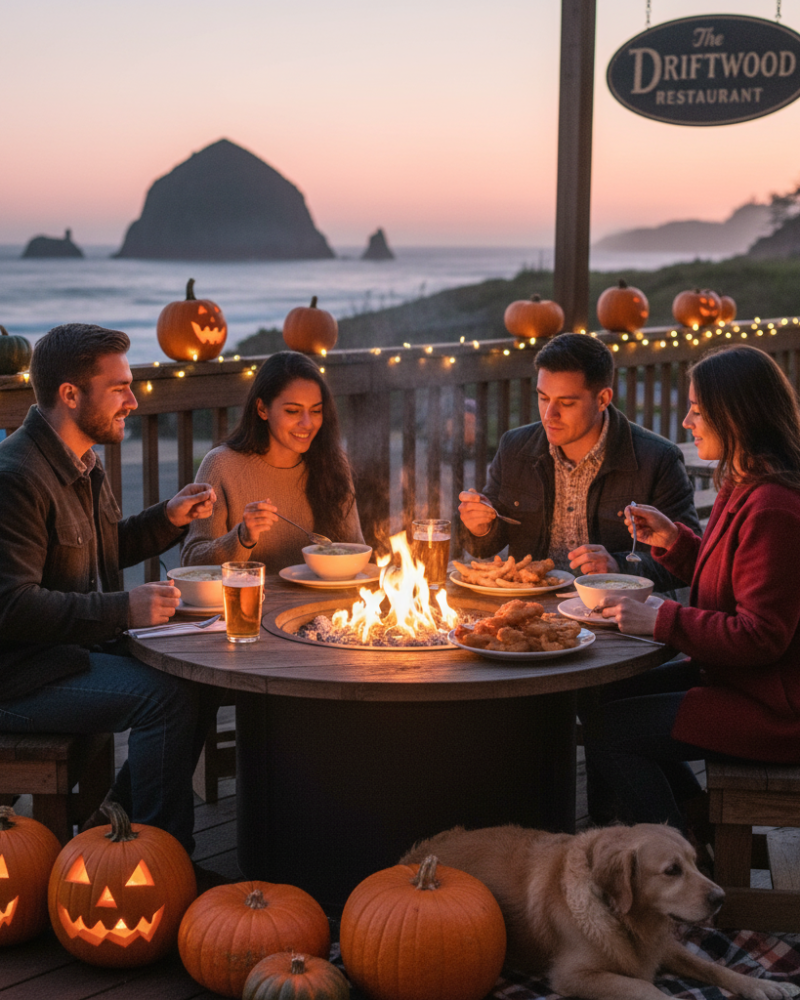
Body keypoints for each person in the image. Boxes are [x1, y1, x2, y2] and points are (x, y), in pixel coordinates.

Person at [0, 323, 220, 858]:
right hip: (20, 678)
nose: (134, 399)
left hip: (70, 653)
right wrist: (125, 608)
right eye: (119, 387)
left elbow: (97, 550)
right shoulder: (16, 477)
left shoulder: (81, 460)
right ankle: (155, 860)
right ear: (69, 395)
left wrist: (167, 517)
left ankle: (111, 820)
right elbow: (11, 607)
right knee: (165, 696)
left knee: (201, 672)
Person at [583, 345, 800, 834]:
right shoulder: (744, 483)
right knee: (602, 696)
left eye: (698, 410)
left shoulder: (773, 507)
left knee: (611, 735)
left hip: (774, 707)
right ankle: (697, 825)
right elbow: (736, 579)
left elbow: (761, 635)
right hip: (733, 680)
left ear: (737, 414)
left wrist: (660, 617)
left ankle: (676, 864)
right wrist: (676, 543)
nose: (686, 422)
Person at [458, 332, 700, 591]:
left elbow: (691, 563)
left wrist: (618, 568)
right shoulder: (515, 448)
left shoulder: (657, 459)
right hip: (534, 609)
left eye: (566, 402)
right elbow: (483, 547)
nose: (550, 414)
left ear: (602, 399)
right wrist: (480, 528)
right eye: (543, 398)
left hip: (618, 612)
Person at [182, 350, 364, 573]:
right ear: (262, 409)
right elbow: (192, 561)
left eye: (316, 411)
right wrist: (242, 537)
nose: (307, 423)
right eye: (293, 411)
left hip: (327, 605)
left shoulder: (332, 463)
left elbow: (356, 549)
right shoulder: (221, 465)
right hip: (249, 603)